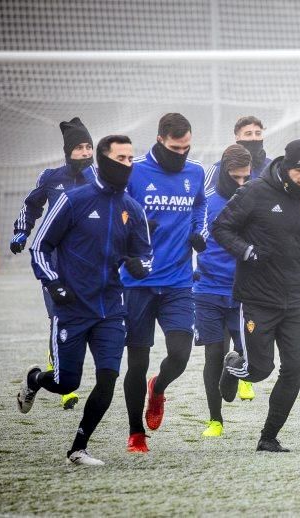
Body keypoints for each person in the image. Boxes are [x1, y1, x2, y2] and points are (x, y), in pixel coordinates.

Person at [17, 135, 152, 465]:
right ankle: (35, 380)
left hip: (111, 310)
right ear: (103, 161)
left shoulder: (132, 209)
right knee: (66, 384)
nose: (127, 164)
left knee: (108, 376)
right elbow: (40, 247)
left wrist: (139, 266)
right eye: (121, 158)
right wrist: (54, 285)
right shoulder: (73, 201)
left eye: (131, 158)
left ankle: (78, 447)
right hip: (73, 308)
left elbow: (146, 256)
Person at [216, 139, 300, 452]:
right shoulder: (255, 191)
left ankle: (268, 437)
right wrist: (246, 250)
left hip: (297, 300)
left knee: (295, 366)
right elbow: (221, 227)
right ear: (287, 167)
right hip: (258, 297)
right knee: (260, 370)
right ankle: (233, 365)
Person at [121, 113, 207, 453]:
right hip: (138, 283)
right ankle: (135, 433)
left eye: (186, 148)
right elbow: (117, 214)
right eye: (175, 148)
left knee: (180, 355)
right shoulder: (135, 171)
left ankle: (157, 390)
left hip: (178, 282)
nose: (182, 154)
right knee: (137, 362)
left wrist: (199, 231)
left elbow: (200, 206)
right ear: (160, 140)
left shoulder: (195, 172)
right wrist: (135, 232)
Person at [10, 117, 94, 410]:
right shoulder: (52, 177)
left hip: (91, 267)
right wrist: (22, 230)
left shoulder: (101, 178)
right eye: (79, 148)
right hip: (56, 265)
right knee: (60, 319)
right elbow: (31, 205)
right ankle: (63, 382)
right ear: (68, 152)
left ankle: (59, 373)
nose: (85, 152)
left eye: (88, 147)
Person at [194, 144, 253, 438]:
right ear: (223, 173)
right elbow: (190, 237)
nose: (241, 184)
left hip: (243, 293)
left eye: (246, 178)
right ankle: (215, 420)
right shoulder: (205, 203)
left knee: (248, 353)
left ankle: (233, 371)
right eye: (236, 178)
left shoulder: (254, 201)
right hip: (207, 291)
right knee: (213, 354)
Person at [204, 116, 271, 193]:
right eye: (248, 134)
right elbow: (206, 200)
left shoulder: (271, 166)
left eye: (258, 133)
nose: (254, 138)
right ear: (237, 138)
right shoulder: (218, 168)